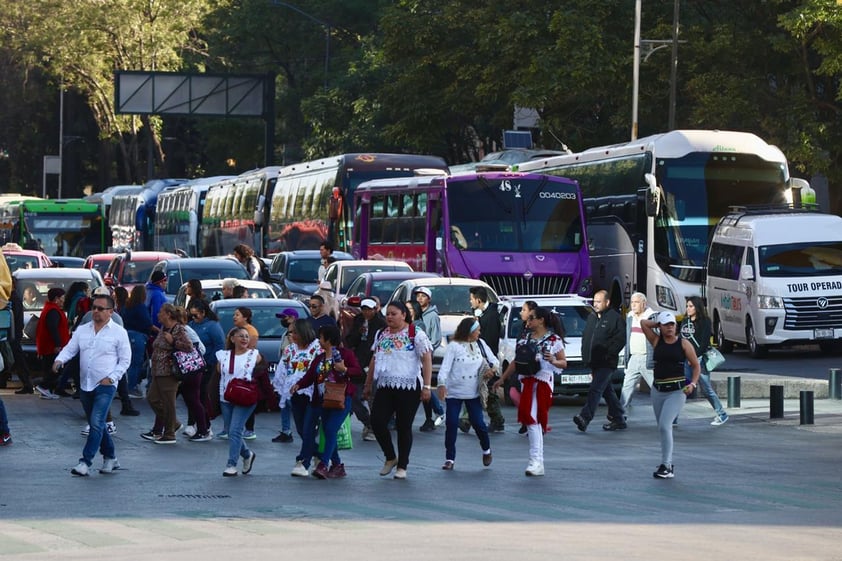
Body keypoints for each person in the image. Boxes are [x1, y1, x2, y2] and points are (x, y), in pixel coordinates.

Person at [53, 293, 131, 476]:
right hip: (85, 384)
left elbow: (125, 360)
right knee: (98, 424)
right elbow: (71, 348)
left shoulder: (119, 333)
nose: (95, 311)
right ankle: (110, 457)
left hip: (105, 385)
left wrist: (112, 378)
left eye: (100, 308)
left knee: (96, 422)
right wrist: (59, 360)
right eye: (93, 307)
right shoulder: (83, 330)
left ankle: (85, 462)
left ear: (111, 312)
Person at [363, 301, 433, 480]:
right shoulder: (382, 334)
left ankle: (402, 466)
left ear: (404, 314)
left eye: (394, 314)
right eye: (388, 314)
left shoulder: (415, 333)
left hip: (409, 387)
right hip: (386, 385)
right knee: (377, 421)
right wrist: (368, 384)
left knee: (403, 426)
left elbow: (426, 359)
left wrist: (426, 386)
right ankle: (390, 456)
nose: (389, 317)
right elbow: (374, 359)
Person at [494, 306, 566, 476]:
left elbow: (563, 363)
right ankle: (536, 461)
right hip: (527, 381)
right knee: (530, 418)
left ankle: (536, 461)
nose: (528, 321)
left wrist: (554, 361)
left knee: (533, 418)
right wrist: (502, 378)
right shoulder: (524, 339)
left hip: (542, 381)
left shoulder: (554, 340)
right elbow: (515, 362)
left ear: (541, 320)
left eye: (531, 318)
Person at [290, 325, 361, 479]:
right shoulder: (319, 358)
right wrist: (299, 385)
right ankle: (337, 465)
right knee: (325, 431)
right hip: (321, 400)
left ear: (328, 339)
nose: (319, 340)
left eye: (321, 337)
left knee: (330, 429)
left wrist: (345, 369)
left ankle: (323, 464)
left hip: (340, 400)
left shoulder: (345, 355)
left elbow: (358, 371)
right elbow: (310, 377)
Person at [640, 311, 701, 479]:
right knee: (661, 427)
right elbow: (644, 323)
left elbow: (696, 366)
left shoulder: (683, 344)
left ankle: (666, 465)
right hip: (658, 390)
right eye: (666, 325)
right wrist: (657, 323)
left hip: (676, 391)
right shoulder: (656, 340)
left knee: (665, 426)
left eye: (672, 324)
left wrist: (693, 384)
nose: (670, 328)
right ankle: (666, 463)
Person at [437, 317, 497, 470]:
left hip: (473, 393)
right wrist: (441, 384)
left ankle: (486, 450)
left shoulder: (480, 344)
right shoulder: (454, 346)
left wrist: (492, 370)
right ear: (470, 331)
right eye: (477, 329)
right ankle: (449, 458)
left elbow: (494, 361)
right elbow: (445, 368)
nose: (479, 332)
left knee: (479, 424)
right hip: (454, 393)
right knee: (451, 424)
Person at [574, 290, 626, 432]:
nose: (595, 304)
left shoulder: (615, 318)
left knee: (595, 389)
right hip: (594, 362)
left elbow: (620, 340)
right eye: (594, 301)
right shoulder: (592, 317)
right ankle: (619, 417)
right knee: (607, 390)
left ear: (607, 302)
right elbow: (586, 338)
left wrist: (608, 354)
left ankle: (585, 417)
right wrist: (586, 357)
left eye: (598, 302)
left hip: (607, 363)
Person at [143, 303, 193, 444]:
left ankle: (170, 433)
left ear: (168, 315)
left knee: (168, 402)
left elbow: (189, 347)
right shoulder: (164, 328)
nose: (158, 314)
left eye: (160, 312)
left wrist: (174, 342)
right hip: (157, 371)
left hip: (169, 372)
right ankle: (173, 424)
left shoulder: (178, 329)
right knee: (152, 399)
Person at [217, 326, 260, 476]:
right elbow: (218, 374)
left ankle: (231, 464)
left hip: (245, 397)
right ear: (232, 338)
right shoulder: (223, 355)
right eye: (240, 336)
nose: (244, 339)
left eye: (246, 336)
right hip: (226, 397)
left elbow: (263, 374)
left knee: (236, 430)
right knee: (231, 432)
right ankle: (247, 454)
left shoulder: (254, 354)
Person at [681, 296, 729, 426]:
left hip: (699, 359)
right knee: (684, 388)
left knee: (706, 388)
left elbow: (704, 343)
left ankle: (722, 414)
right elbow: (682, 339)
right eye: (687, 306)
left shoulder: (705, 321)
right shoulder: (685, 321)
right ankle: (673, 417)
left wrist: (694, 357)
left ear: (697, 307)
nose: (688, 308)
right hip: (686, 359)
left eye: (691, 306)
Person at [276, 319, 321, 456]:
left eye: (295, 332)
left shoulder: (317, 348)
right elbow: (283, 368)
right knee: (301, 430)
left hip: (313, 393)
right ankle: (322, 455)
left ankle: (303, 460)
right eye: (290, 332)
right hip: (295, 393)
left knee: (308, 429)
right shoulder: (290, 349)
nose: (291, 335)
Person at [344, 298, 385, 442]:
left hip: (374, 364)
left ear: (375, 309)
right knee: (353, 396)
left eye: (369, 309)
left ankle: (375, 428)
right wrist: (358, 332)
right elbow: (349, 341)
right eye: (364, 309)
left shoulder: (382, 323)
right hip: (358, 363)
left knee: (372, 398)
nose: (366, 312)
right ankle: (368, 423)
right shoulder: (358, 320)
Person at [468, 286, 505, 432]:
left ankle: (497, 420)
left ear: (478, 300)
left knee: (487, 391)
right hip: (479, 358)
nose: (470, 302)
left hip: (487, 359)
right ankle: (467, 420)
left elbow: (489, 341)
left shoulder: (491, 316)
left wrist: (488, 363)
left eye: (471, 299)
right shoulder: (479, 314)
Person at [187, 299, 225, 438]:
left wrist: (210, 363)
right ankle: (197, 424)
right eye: (191, 315)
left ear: (203, 313)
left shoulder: (212, 326)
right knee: (193, 396)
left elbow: (219, 345)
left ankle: (205, 427)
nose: (193, 318)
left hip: (206, 366)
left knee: (201, 396)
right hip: (193, 367)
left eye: (196, 315)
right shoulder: (191, 325)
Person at [414, 287, 444, 432]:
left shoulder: (432, 316)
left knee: (424, 385)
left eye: (423, 296)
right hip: (415, 357)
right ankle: (432, 415)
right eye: (418, 296)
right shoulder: (417, 315)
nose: (420, 298)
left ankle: (438, 411)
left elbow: (436, 339)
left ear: (429, 299)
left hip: (425, 356)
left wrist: (426, 349)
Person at [620, 292, 656, 412]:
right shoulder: (630, 316)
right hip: (633, 358)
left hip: (648, 359)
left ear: (644, 304)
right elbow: (627, 337)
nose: (633, 305)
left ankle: (671, 417)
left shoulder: (652, 316)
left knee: (657, 390)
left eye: (636, 302)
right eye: (632, 302)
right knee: (626, 388)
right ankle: (620, 416)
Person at [271, 308, 300, 443]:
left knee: (292, 403)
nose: (282, 320)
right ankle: (286, 431)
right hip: (285, 374)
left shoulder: (298, 334)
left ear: (293, 318)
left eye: (285, 317)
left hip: (295, 374)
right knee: (284, 404)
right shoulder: (285, 334)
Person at [34, 287, 69, 400]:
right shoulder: (53, 311)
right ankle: (43, 386)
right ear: (57, 299)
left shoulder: (49, 308)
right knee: (56, 369)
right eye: (62, 298)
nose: (64, 300)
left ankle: (46, 391)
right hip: (52, 346)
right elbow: (53, 328)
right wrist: (58, 344)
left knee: (49, 368)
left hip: (49, 345)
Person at [121, 285, 153, 397]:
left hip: (127, 335)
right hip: (138, 336)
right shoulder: (140, 307)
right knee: (136, 363)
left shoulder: (127, 306)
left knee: (129, 363)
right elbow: (148, 323)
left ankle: (127, 386)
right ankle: (132, 387)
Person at [9, 278, 36, 394]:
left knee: (18, 360)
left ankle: (27, 384)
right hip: (14, 334)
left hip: (12, 335)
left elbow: (15, 320)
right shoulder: (12, 298)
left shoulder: (12, 299)